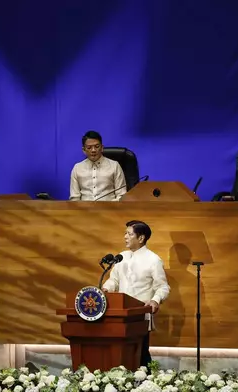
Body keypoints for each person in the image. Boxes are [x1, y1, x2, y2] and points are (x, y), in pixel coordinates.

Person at [102, 220, 170, 368]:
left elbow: (163, 287)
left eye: (129, 234)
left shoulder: (153, 260)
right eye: (125, 233)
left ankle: (147, 384)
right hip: (119, 314)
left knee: (140, 355)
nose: (125, 237)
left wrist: (155, 300)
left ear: (141, 238)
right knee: (119, 353)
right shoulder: (122, 257)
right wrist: (107, 288)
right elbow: (114, 280)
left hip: (140, 315)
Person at [70, 131, 127, 201]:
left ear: (102, 147)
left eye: (97, 146)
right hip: (85, 210)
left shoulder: (114, 166)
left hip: (110, 209)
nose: (93, 150)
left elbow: (121, 196)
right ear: (84, 150)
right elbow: (75, 198)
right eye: (89, 147)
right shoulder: (77, 168)